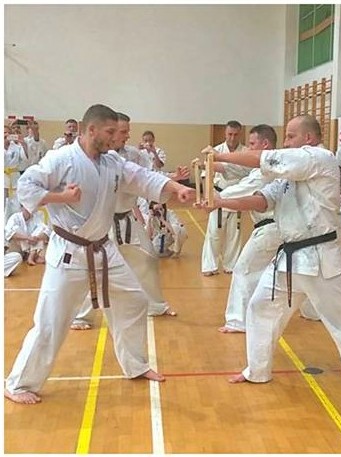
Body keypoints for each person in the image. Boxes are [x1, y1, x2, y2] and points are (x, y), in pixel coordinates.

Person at [5, 104, 195, 405]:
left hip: (103, 250)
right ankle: (18, 383)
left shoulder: (111, 161)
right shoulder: (61, 158)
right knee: (51, 321)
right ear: (90, 129)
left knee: (134, 299)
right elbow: (27, 186)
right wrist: (61, 197)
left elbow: (142, 177)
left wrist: (175, 187)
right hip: (69, 253)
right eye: (110, 131)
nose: (114, 137)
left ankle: (135, 364)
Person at [203, 115, 341, 404]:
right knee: (260, 307)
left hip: (319, 258)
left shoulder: (320, 158)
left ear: (309, 138)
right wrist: (221, 202)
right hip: (289, 259)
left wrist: (219, 155)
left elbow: (267, 158)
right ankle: (257, 370)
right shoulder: (291, 175)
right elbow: (263, 200)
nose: (286, 142)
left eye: (291, 136)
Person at [70, 113, 184, 331]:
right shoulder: (96, 156)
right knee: (95, 267)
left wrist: (173, 180)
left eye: (127, 132)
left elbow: (148, 176)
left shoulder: (134, 154)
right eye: (122, 132)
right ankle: (82, 316)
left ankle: (156, 305)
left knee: (148, 258)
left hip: (127, 219)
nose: (127, 136)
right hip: (103, 222)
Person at [216, 124, 319, 333]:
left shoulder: (270, 169)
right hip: (288, 229)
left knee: (244, 269)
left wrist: (217, 199)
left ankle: (237, 320)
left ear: (264, 144)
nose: (249, 148)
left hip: (271, 229)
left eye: (252, 144)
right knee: (299, 273)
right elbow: (240, 172)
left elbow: (245, 188)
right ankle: (313, 311)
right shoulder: (276, 167)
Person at [201, 120, 250, 275]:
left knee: (234, 234)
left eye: (236, 134)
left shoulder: (246, 152)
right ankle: (209, 266)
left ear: (240, 134)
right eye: (230, 134)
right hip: (218, 195)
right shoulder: (216, 151)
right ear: (225, 133)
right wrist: (207, 197)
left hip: (238, 197)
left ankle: (231, 265)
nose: (232, 138)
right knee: (214, 233)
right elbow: (206, 175)